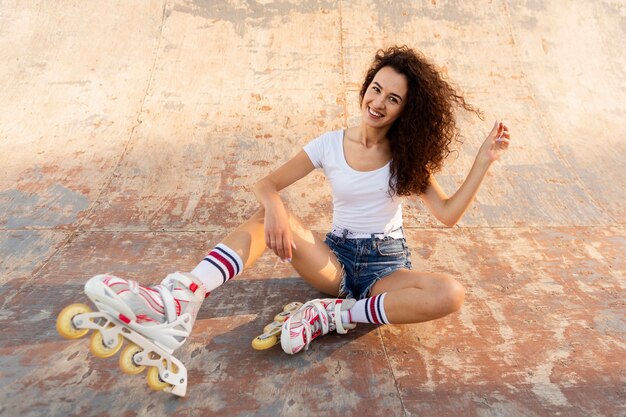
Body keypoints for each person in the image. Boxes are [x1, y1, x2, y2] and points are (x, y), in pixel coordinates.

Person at [83, 45, 511, 357]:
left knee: (450, 293)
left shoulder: (407, 158)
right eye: (376, 89)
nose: (378, 102)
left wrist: (483, 161)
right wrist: (274, 209)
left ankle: (334, 316)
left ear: (404, 111)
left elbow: (448, 215)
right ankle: (181, 298)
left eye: (393, 99)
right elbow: (267, 183)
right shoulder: (328, 145)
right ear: (366, 87)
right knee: (262, 216)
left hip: (387, 269)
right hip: (335, 261)